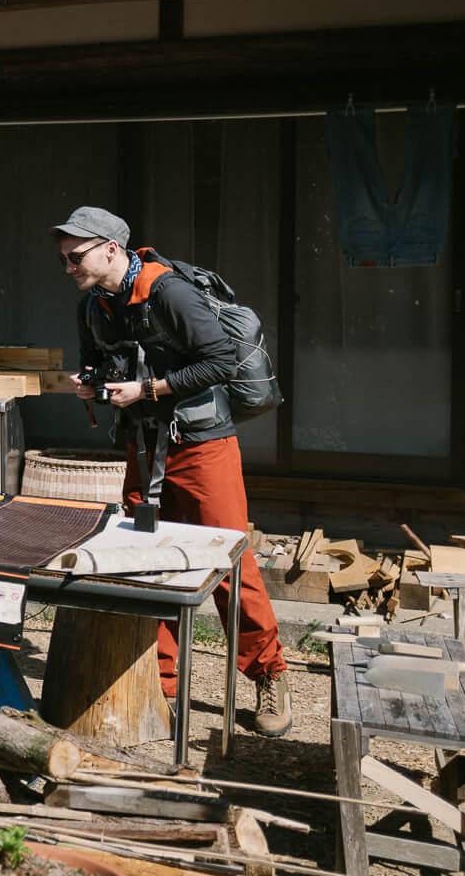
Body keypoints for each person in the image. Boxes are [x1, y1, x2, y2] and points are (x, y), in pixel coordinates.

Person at [55, 206, 291, 738]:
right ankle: (162, 685)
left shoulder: (169, 293)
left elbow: (222, 361)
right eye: (65, 259)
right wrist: (90, 383)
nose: (68, 266)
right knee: (145, 563)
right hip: (142, 446)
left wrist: (150, 390)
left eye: (76, 256)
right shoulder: (93, 304)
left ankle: (269, 671)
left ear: (110, 249)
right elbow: (98, 359)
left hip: (202, 446)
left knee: (229, 562)